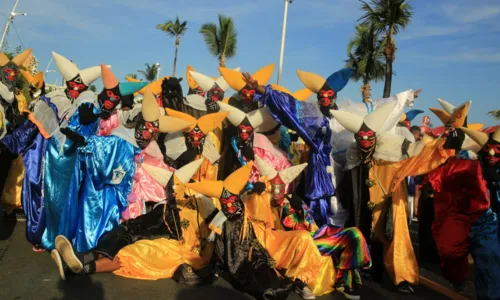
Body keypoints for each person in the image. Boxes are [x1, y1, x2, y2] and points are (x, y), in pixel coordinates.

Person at [330, 101, 469, 293]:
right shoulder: (353, 156)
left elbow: (421, 157)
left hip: (389, 203)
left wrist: (448, 141)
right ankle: (360, 271)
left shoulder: (392, 154)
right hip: (363, 205)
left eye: (368, 137)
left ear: (375, 138)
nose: (364, 142)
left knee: (396, 238)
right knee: (360, 234)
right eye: (359, 138)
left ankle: (402, 278)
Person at [51, 158, 211, 282]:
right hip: (164, 245)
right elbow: (142, 222)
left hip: (183, 253)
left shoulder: (201, 207)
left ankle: (76, 269)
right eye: (170, 188)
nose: (172, 192)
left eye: (175, 189)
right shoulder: (165, 209)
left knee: (127, 254)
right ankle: (80, 259)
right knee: (118, 236)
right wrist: (124, 230)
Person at [254, 157, 372, 300]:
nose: (277, 192)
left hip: (314, 238)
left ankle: (344, 280)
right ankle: (300, 282)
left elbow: (311, 225)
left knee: (353, 233)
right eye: (274, 188)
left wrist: (301, 211)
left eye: (280, 188)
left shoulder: (291, 202)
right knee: (305, 238)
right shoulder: (261, 204)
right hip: (293, 248)